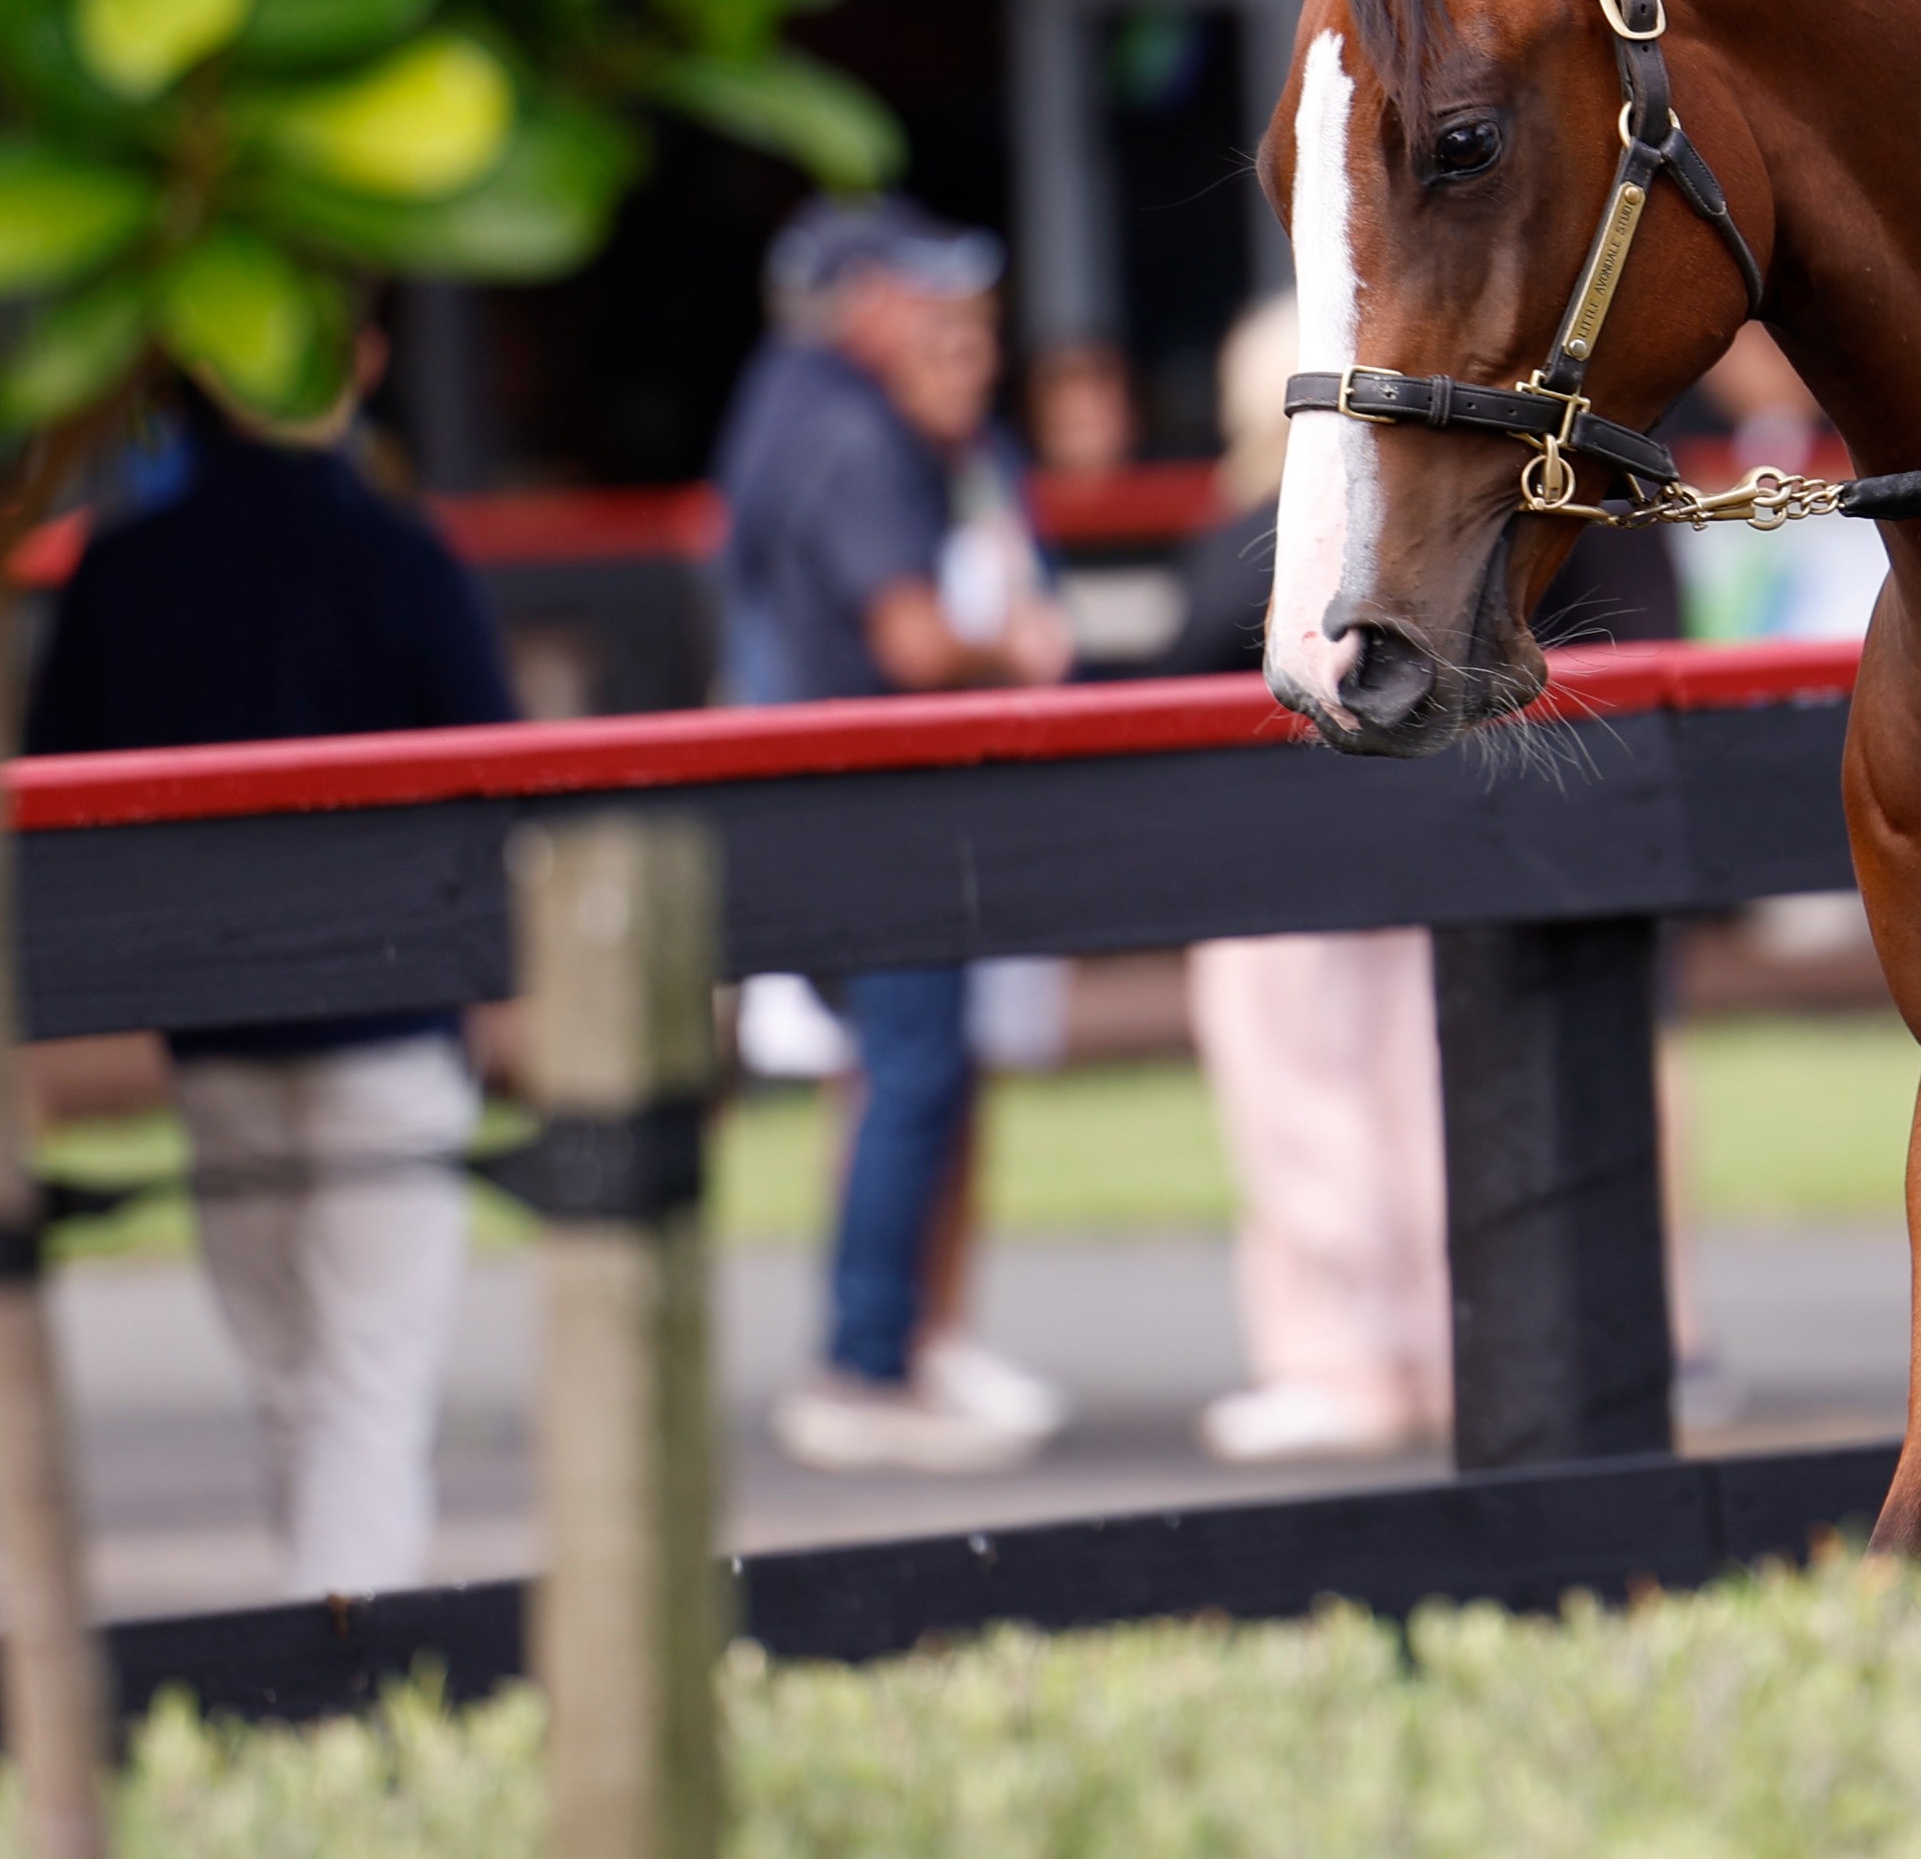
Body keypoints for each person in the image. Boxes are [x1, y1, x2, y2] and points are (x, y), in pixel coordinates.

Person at [1166, 297, 1715, 1456]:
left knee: (1353, 1107)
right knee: (1486, 1091)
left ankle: (1366, 1362)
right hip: (1492, 824)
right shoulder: (1542, 467)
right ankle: (1563, 1345)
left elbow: (1201, 649)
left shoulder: (1318, 512)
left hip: (1356, 845)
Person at [22, 349, 513, 1596]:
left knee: (296, 1377)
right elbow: (498, 779)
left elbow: (55, 787)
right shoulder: (399, 553)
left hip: (214, 1023)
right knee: (366, 1380)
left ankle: (324, 1643)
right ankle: (346, 1666)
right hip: (390, 1016)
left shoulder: (127, 569)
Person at [715, 194, 1081, 1472]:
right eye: (925, 300)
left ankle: (902, 1351)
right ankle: (866, 1367)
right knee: (912, 1078)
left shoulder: (796, 410)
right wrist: (1017, 651)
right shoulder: (851, 431)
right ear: (865, 300)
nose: (952, 326)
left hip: (840, 804)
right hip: (880, 809)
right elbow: (915, 644)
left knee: (904, 1081)